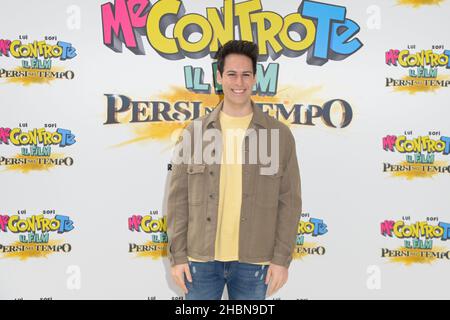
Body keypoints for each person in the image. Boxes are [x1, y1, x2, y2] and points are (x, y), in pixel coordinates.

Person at [166, 40, 301, 300]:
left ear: (254, 78)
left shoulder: (278, 135)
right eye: (231, 74)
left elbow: (290, 202)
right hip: (199, 262)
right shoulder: (195, 133)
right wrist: (178, 256)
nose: (238, 83)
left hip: (255, 262)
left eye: (245, 75)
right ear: (219, 77)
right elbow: (177, 200)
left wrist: (282, 259)